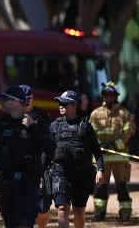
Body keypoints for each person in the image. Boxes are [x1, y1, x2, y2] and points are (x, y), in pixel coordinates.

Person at [0, 85, 57, 228]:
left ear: (15, 102)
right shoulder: (0, 124)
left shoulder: (35, 123)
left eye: (4, 100)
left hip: (28, 184)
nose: (1, 103)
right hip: (5, 184)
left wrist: (33, 128)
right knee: (10, 224)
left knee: (25, 224)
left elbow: (51, 148)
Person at [49, 90, 104, 228]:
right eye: (59, 103)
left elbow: (96, 151)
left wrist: (100, 169)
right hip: (60, 173)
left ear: (74, 105)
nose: (60, 105)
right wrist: (40, 174)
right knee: (62, 208)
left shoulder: (85, 127)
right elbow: (46, 152)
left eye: (64, 103)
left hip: (81, 174)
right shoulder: (54, 126)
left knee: (79, 211)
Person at [90, 81, 136, 221]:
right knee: (100, 188)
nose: (108, 97)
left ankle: (125, 213)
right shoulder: (95, 114)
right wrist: (100, 145)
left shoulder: (124, 114)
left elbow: (129, 131)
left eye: (111, 94)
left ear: (116, 95)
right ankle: (99, 213)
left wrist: (115, 145)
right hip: (101, 158)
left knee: (122, 187)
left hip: (119, 158)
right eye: (106, 94)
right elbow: (90, 133)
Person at [18, 85, 54, 228]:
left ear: (31, 99)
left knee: (42, 208)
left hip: (40, 168)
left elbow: (49, 145)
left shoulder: (42, 117)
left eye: (26, 101)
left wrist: (41, 173)